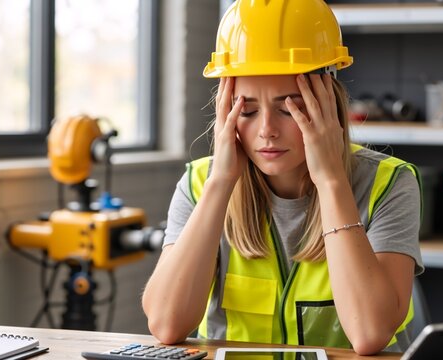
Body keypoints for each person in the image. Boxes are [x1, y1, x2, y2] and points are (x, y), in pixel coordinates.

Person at [142, 0, 424, 355]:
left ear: (329, 105)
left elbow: (369, 334)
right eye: (247, 110)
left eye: (290, 107)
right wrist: (220, 184)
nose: (266, 131)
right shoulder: (200, 183)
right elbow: (167, 325)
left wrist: (332, 183)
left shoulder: (390, 184)